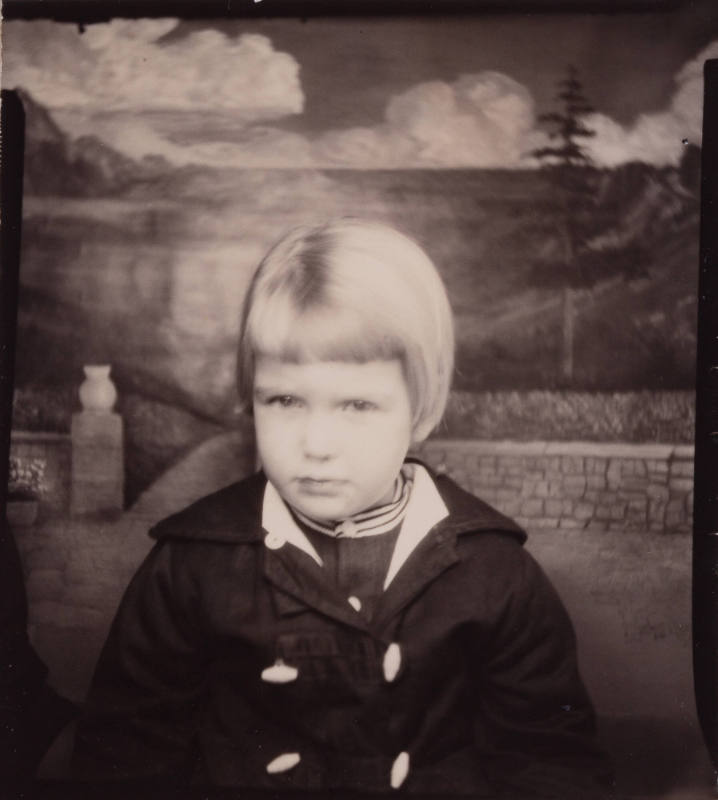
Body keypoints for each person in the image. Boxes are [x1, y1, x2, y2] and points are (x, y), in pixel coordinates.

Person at [72, 219, 612, 796]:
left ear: (422, 410)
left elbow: (551, 763)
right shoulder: (189, 567)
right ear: (250, 399)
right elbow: (124, 761)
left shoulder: (496, 573)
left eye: (357, 404)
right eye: (284, 400)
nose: (317, 443)